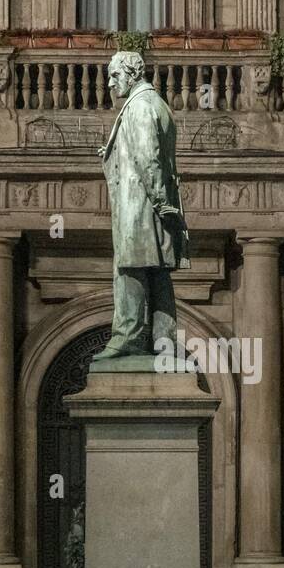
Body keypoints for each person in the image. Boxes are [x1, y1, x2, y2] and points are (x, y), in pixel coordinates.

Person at [94, 50, 191, 360]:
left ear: (132, 74)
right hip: (153, 205)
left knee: (129, 269)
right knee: (158, 273)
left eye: (114, 75)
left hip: (142, 207)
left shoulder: (138, 107)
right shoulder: (155, 104)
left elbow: (148, 158)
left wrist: (161, 202)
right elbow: (147, 153)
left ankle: (128, 336)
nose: (110, 83)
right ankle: (165, 341)